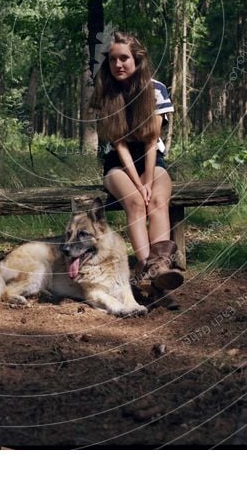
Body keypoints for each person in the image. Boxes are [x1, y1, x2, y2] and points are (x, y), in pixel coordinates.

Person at [89, 30, 184, 302]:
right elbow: (119, 145)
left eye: (124, 59)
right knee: (135, 202)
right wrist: (137, 181)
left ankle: (160, 269)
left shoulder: (156, 90)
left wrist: (148, 179)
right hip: (118, 164)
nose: (117, 65)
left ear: (137, 60)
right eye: (112, 60)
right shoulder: (106, 92)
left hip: (152, 157)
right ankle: (146, 267)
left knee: (157, 199)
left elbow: (152, 140)